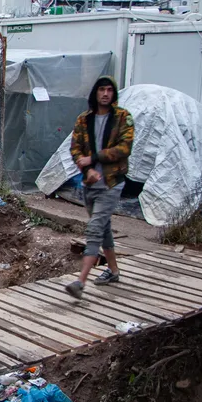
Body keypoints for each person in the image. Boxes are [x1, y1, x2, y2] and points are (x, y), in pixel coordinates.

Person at [65, 76, 134, 299]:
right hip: (90, 184)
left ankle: (80, 281)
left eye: (109, 90)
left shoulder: (123, 118)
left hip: (112, 182)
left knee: (95, 228)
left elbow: (124, 148)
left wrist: (93, 158)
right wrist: (87, 171)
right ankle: (113, 271)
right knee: (103, 227)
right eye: (102, 90)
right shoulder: (84, 120)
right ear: (95, 93)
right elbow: (75, 149)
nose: (106, 94)